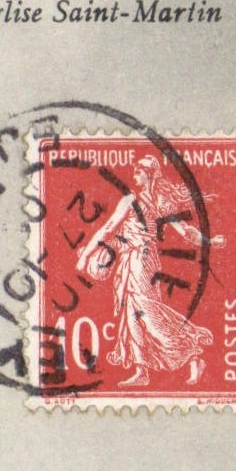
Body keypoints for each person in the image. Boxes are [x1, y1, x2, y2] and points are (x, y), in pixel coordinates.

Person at [76, 154, 222, 387]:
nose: (134, 175)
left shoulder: (159, 202)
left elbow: (185, 231)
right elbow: (108, 229)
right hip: (128, 258)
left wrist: (209, 241)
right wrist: (86, 255)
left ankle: (193, 352)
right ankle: (141, 370)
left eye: (138, 172)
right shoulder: (129, 200)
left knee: (148, 312)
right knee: (131, 313)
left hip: (144, 260)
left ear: (148, 175)